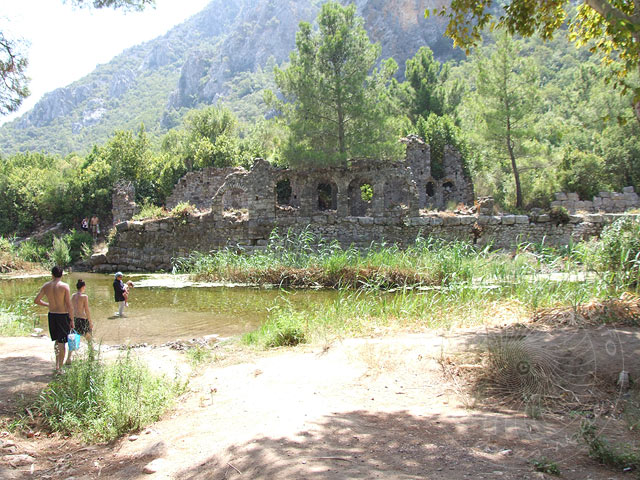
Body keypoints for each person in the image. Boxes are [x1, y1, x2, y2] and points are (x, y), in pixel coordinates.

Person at [34, 266, 74, 374]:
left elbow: (37, 300)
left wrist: (48, 304)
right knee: (62, 342)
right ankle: (60, 368)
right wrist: (72, 319)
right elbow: (68, 304)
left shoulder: (46, 286)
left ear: (52, 274)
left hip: (52, 315)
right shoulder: (64, 286)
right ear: (62, 274)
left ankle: (57, 365)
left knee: (57, 340)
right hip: (62, 315)